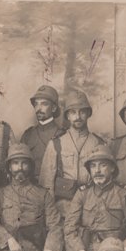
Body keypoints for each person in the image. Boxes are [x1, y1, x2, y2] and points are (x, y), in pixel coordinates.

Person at [39, 89, 105, 217]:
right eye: (73, 112)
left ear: (88, 114)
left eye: (82, 112)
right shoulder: (56, 144)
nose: (78, 116)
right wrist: (52, 215)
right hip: (64, 209)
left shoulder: (99, 143)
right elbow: (46, 184)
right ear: (67, 116)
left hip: (92, 207)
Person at [20, 85, 65, 180]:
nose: (38, 108)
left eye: (44, 104)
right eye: (36, 104)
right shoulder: (28, 135)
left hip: (54, 185)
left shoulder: (63, 135)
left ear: (53, 108)